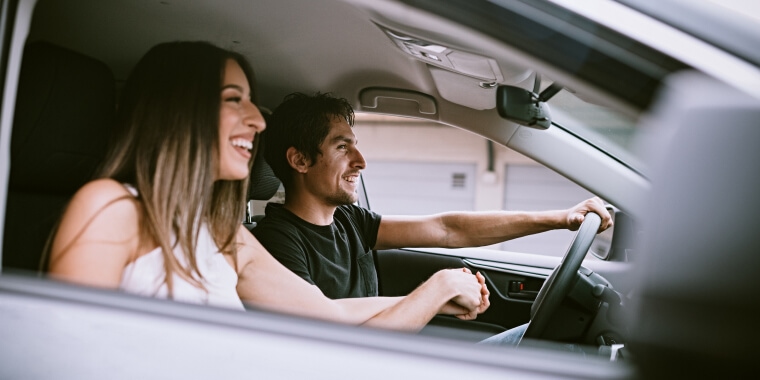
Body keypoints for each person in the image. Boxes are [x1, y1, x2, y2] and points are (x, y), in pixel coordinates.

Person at [46, 41, 490, 332]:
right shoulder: (110, 206)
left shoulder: (224, 234)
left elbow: (329, 314)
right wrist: (434, 290)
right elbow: (67, 354)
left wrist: (434, 293)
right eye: (233, 100)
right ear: (178, 111)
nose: (258, 121)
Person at [252, 92, 613, 343]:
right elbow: (326, 327)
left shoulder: (349, 220)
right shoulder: (275, 241)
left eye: (355, 144)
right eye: (342, 146)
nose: (361, 161)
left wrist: (560, 217)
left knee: (555, 344)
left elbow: (447, 229)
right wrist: (435, 293)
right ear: (299, 161)